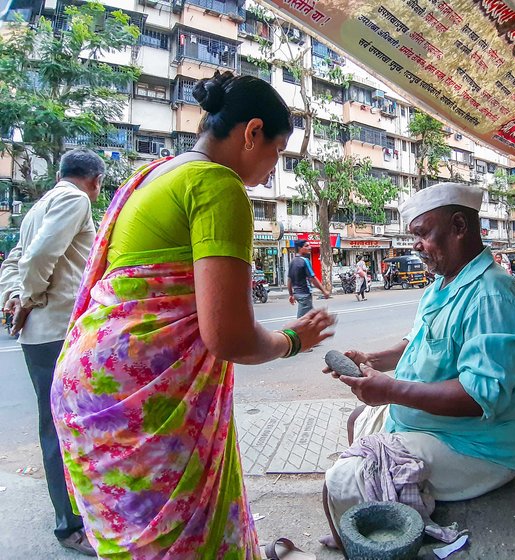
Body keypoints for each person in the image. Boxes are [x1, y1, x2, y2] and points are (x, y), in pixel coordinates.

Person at [49, 71, 335, 559]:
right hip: (140, 402)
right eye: (277, 151)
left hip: (88, 386)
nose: (273, 167)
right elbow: (228, 337)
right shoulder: (216, 185)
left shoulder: (154, 174)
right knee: (180, 545)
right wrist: (293, 341)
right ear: (251, 133)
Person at [322, 182, 515, 551]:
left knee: (341, 479)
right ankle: (371, 528)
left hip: (475, 446)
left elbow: (477, 397)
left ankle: (367, 540)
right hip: (431, 427)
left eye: (423, 234)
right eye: (413, 236)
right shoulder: (444, 283)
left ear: (458, 226)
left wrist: (389, 390)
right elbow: (417, 343)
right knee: (357, 419)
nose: (416, 245)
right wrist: (372, 361)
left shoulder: (491, 295)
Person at [0, 148, 106, 556]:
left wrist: (15, 296)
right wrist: (24, 299)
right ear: (95, 180)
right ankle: (69, 524)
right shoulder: (76, 199)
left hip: (41, 332)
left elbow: (15, 259)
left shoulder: (38, 207)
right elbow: (40, 256)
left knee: (58, 423)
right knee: (64, 425)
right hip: (58, 328)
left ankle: (74, 512)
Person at [288, 239, 329, 318]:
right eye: (306, 246)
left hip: (297, 294)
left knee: (312, 318)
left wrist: (291, 295)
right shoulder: (305, 261)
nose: (309, 247)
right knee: (301, 322)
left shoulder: (292, 261)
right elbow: (312, 278)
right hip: (304, 295)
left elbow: (289, 280)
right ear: (300, 248)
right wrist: (324, 291)